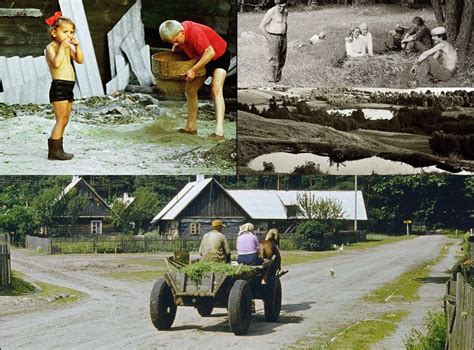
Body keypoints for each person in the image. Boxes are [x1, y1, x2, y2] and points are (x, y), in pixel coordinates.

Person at [159, 20, 230, 141]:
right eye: (172, 42)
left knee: (215, 89)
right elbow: (178, 48)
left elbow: (210, 52)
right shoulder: (177, 33)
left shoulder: (194, 32)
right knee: (190, 90)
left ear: (182, 31)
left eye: (176, 40)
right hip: (200, 59)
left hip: (219, 56)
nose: (175, 43)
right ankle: (190, 128)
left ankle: (219, 132)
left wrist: (193, 70)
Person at [44, 12, 83, 160]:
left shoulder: (66, 47)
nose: (69, 35)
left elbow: (80, 60)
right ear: (54, 32)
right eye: (65, 31)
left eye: (71, 32)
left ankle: (59, 149)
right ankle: (53, 151)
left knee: (65, 119)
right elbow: (56, 63)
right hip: (59, 86)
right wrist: (63, 47)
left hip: (68, 87)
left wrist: (76, 46)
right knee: (60, 120)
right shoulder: (51, 48)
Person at [258, 0, 288, 83]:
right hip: (273, 36)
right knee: (274, 60)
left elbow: (285, 24)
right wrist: (269, 38)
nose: (282, 9)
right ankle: (272, 81)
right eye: (280, 7)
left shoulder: (286, 12)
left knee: (282, 59)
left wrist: (285, 35)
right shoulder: (271, 12)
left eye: (284, 6)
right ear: (276, 4)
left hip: (283, 37)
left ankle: (277, 80)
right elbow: (261, 27)